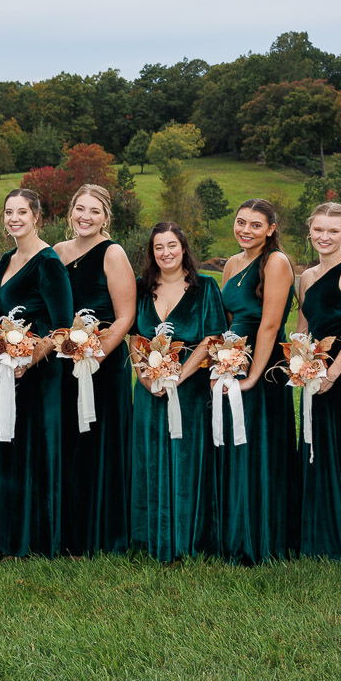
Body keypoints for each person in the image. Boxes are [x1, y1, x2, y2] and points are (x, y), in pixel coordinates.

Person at [206, 199, 298, 564]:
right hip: (230, 360)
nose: (245, 230)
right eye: (241, 222)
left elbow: (271, 324)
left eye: (255, 225)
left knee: (256, 445)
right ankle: (230, 531)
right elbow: (229, 319)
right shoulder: (231, 263)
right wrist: (222, 363)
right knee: (229, 443)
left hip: (262, 364)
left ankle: (259, 536)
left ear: (271, 229)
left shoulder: (275, 262)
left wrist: (253, 376)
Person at [128, 223, 223, 562]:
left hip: (189, 390)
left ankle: (187, 536)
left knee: (185, 458)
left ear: (184, 248)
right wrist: (145, 377)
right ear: (151, 253)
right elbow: (134, 337)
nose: (166, 253)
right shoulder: (141, 289)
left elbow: (212, 337)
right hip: (149, 391)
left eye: (172, 245)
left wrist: (177, 376)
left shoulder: (206, 288)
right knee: (150, 457)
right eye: (158, 247)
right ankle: (150, 535)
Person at [0, 188, 72, 559]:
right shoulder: (7, 258)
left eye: (22, 212)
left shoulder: (48, 262)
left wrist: (27, 359)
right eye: (9, 212)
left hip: (39, 375)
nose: (14, 219)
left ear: (37, 217)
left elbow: (61, 327)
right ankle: (9, 536)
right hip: (6, 369)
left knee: (36, 449)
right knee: (10, 449)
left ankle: (38, 539)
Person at [53, 184, 136, 556]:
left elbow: (125, 316)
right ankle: (68, 531)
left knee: (99, 443)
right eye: (79, 209)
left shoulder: (113, 252)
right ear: (70, 212)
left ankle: (104, 533)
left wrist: (95, 355)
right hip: (64, 362)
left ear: (106, 217)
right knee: (68, 443)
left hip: (103, 365)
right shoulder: (56, 252)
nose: (85, 217)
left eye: (94, 211)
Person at [293, 201, 341, 565]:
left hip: (339, 378)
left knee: (337, 454)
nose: (325, 237)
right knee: (312, 450)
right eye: (319, 230)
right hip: (312, 376)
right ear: (310, 231)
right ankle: (312, 535)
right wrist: (300, 364)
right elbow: (302, 329)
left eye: (333, 231)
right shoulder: (306, 277)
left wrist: (332, 374)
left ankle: (338, 539)